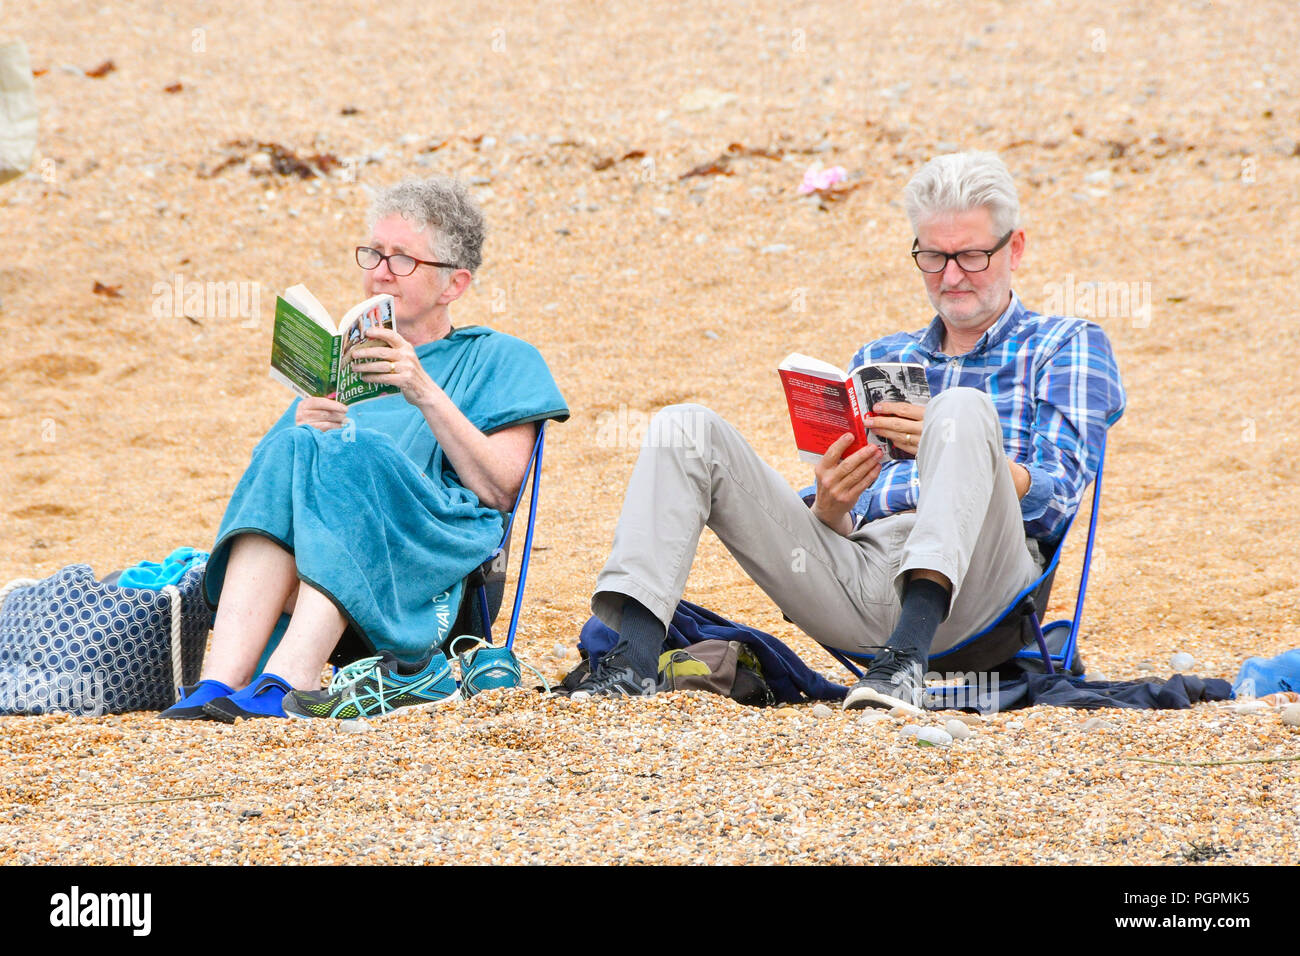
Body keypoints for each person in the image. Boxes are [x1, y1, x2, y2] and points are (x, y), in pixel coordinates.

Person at [576, 151, 1125, 709]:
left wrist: (950, 447)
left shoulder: (1067, 344)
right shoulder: (882, 357)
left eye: (972, 255)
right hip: (860, 577)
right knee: (683, 426)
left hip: (984, 585)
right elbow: (837, 517)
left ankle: (908, 661)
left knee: (958, 410)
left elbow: (1057, 502)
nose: (951, 275)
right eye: (933, 256)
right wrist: (831, 506)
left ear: (1016, 248)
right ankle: (633, 661)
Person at [162, 177, 568, 721]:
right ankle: (219, 682)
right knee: (292, 446)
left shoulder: (501, 358)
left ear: (454, 284)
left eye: (403, 260)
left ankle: (290, 678)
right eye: (374, 253)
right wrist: (302, 426)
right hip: (312, 554)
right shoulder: (345, 366)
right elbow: (264, 497)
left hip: (431, 549)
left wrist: (423, 390)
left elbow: (500, 490)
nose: (379, 270)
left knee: (357, 452)